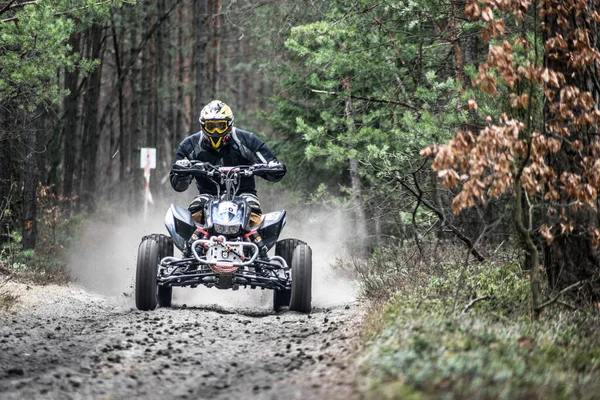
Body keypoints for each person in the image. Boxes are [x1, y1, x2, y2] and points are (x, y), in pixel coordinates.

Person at [169, 100, 286, 228]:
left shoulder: (246, 140)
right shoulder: (190, 145)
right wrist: (183, 174)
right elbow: (177, 184)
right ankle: (194, 242)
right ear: (203, 126)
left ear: (229, 125)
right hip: (208, 196)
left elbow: (273, 167)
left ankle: (255, 241)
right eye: (210, 126)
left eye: (220, 126)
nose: (215, 131)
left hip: (244, 195)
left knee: (255, 217)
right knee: (193, 215)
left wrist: (271, 168)